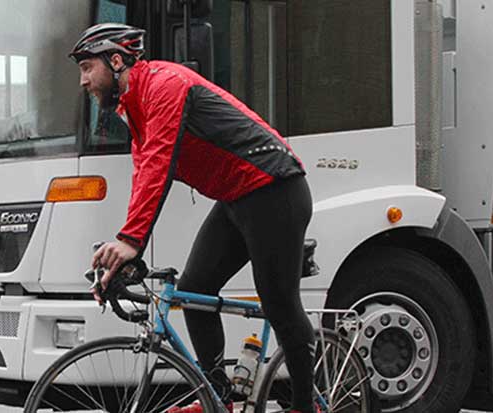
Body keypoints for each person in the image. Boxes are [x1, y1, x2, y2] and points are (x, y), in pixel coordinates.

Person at [73, 24, 316, 413]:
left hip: (275, 189)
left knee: (279, 304)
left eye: (87, 68)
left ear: (116, 60)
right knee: (196, 291)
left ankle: (306, 406)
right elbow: (143, 178)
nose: (83, 81)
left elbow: (160, 163)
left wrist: (130, 240)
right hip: (237, 197)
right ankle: (217, 398)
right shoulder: (133, 108)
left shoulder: (165, 84)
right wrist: (126, 249)